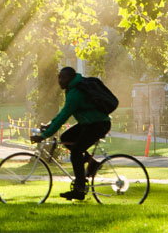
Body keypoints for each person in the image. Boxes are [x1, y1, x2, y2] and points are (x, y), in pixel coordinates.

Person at [30, 66, 111, 201]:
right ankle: (92, 163)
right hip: (90, 123)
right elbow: (64, 112)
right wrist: (50, 125)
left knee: (76, 152)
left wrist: (44, 135)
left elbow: (64, 116)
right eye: (59, 78)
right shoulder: (73, 90)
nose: (60, 81)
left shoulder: (75, 94)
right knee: (66, 138)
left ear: (71, 78)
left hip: (98, 124)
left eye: (63, 78)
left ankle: (79, 189)